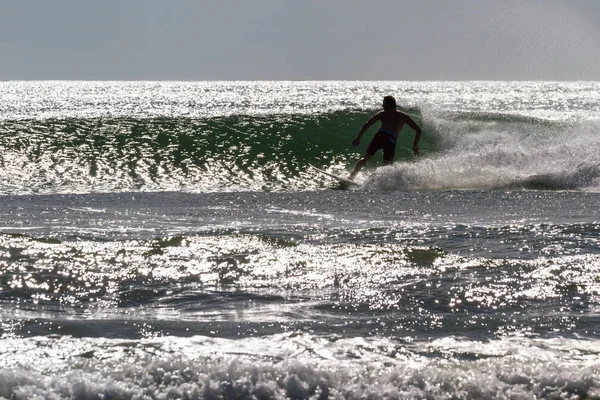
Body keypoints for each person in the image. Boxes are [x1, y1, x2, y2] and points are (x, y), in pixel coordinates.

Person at [349, 95, 421, 179]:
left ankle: (351, 177)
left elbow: (367, 124)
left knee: (366, 158)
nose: (382, 106)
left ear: (389, 105)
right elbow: (418, 130)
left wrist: (358, 137)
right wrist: (415, 145)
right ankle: (381, 182)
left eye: (384, 104)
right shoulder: (403, 116)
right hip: (391, 140)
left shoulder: (382, 114)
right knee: (387, 166)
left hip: (381, 136)